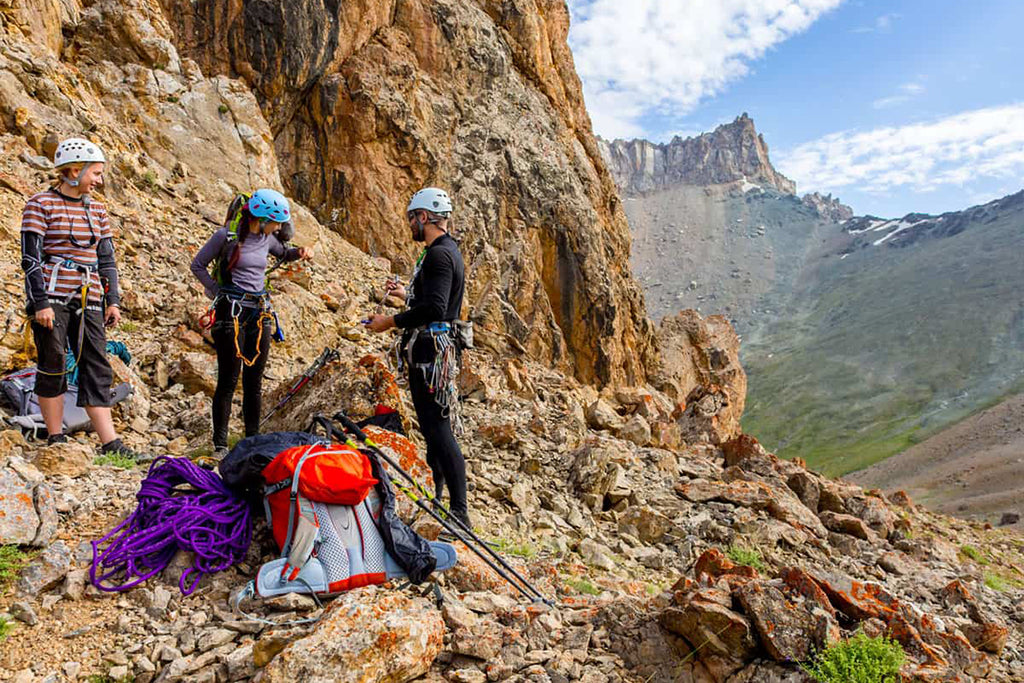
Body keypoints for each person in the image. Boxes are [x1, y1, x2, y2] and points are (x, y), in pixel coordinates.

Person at [19, 137, 137, 457]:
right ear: (74, 170)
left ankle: (110, 443)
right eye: (95, 173)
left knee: (95, 364)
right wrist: (40, 303)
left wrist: (113, 299)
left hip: (90, 296)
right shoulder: (39, 204)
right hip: (51, 296)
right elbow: (30, 259)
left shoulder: (97, 210)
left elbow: (106, 259)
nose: (99, 180)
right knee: (53, 361)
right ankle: (56, 437)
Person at [365, 187, 470, 527]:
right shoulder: (442, 251)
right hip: (431, 350)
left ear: (423, 217)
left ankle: (459, 513)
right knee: (431, 427)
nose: (409, 224)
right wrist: (404, 293)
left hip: (430, 353)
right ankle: (437, 499)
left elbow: (435, 308)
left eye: (412, 218)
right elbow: (430, 300)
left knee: (439, 430)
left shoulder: (439, 255)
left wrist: (389, 322)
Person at [190, 189, 313, 458]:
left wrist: (300, 252)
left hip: (259, 312)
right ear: (261, 217)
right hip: (230, 312)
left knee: (254, 382)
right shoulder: (226, 236)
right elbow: (197, 265)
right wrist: (216, 290)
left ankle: (252, 441)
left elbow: (284, 253)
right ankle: (221, 445)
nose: (278, 228)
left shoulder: (267, 239)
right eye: (275, 222)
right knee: (228, 380)